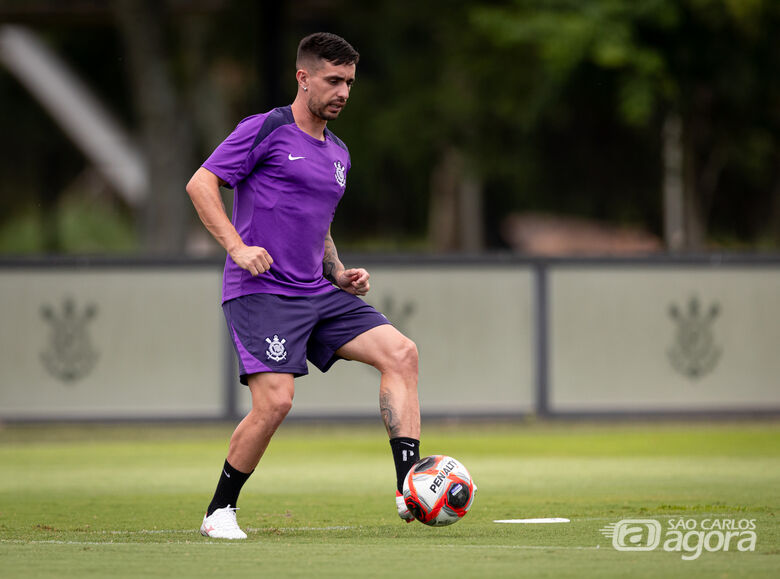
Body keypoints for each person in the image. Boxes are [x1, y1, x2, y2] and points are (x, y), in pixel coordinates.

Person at [186, 32, 421, 539]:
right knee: (276, 402)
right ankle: (218, 512)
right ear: (303, 77)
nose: (343, 92)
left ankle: (410, 488)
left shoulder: (339, 153)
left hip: (316, 291)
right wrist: (237, 247)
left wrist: (337, 271)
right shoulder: (265, 128)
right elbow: (201, 183)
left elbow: (319, 224)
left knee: (402, 353)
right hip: (262, 291)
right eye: (333, 80)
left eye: (350, 83)